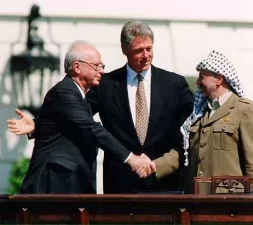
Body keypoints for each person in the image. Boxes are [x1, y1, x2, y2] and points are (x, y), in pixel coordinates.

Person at [8, 21, 253, 194]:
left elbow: (200, 113)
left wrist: (242, 115)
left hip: (165, 185)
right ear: (125, 51)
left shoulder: (175, 83)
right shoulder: (106, 84)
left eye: (149, 48)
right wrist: (39, 124)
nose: (146, 55)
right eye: (139, 51)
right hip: (120, 186)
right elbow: (77, 118)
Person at [9, 40, 153, 194]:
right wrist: (131, 158)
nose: (102, 71)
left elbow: (66, 121)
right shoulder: (65, 92)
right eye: (96, 66)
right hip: (54, 186)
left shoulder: (79, 96)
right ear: (77, 67)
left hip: (71, 186)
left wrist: (37, 124)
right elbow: (91, 128)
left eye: (102, 66)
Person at [180, 50, 253, 194]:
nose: (197, 83)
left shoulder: (245, 109)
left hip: (229, 205)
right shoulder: (200, 113)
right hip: (196, 202)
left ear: (219, 79)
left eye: (202, 77)